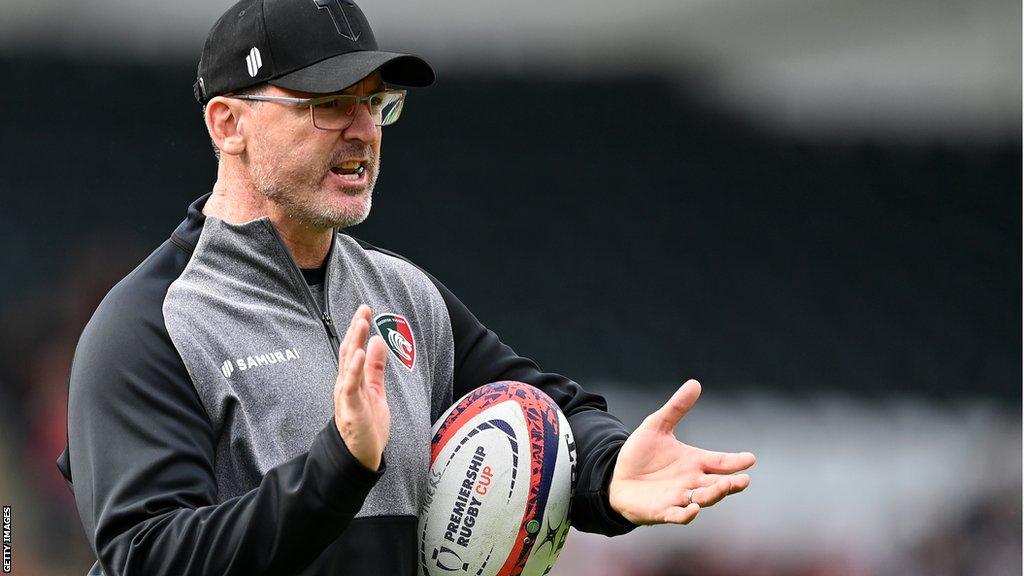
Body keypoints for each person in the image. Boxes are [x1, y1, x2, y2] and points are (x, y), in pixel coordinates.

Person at [57, 1, 756, 574]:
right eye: (329, 104)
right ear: (229, 123)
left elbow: (542, 406)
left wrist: (608, 468)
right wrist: (336, 467)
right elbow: (145, 560)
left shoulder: (403, 293)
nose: (363, 131)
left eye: (376, 104)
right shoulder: (150, 325)